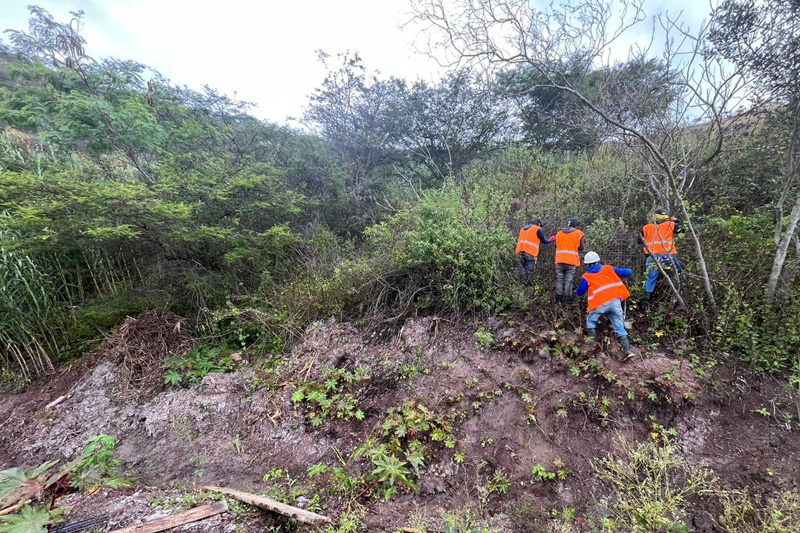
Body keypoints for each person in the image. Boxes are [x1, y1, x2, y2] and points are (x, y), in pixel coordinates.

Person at [576, 251, 634, 359]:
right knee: (619, 327)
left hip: (600, 304)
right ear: (598, 261)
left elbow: (580, 292)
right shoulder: (608, 268)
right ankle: (627, 351)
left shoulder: (586, 276)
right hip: (615, 302)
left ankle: (592, 346)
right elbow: (624, 272)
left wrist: (575, 291)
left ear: (587, 264)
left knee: (591, 321)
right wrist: (631, 271)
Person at [639, 208, 684, 301]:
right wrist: (677, 221)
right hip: (668, 256)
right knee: (677, 271)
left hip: (652, 257)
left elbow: (639, 241)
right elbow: (682, 229)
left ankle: (647, 298)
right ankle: (677, 291)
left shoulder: (646, 227)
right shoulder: (670, 225)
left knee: (651, 277)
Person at [554, 218, 585, 304]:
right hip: (571, 261)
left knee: (559, 279)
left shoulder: (559, 233)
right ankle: (568, 299)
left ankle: (558, 299)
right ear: (575, 225)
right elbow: (581, 248)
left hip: (559, 260)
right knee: (568, 280)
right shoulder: (578, 233)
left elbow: (556, 245)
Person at [515, 218, 553, 286]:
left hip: (520, 252)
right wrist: (551, 240)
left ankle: (520, 285)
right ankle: (529, 286)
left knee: (522, 270)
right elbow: (544, 241)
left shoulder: (522, 229)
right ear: (538, 224)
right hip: (530, 252)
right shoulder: (537, 228)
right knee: (530, 270)